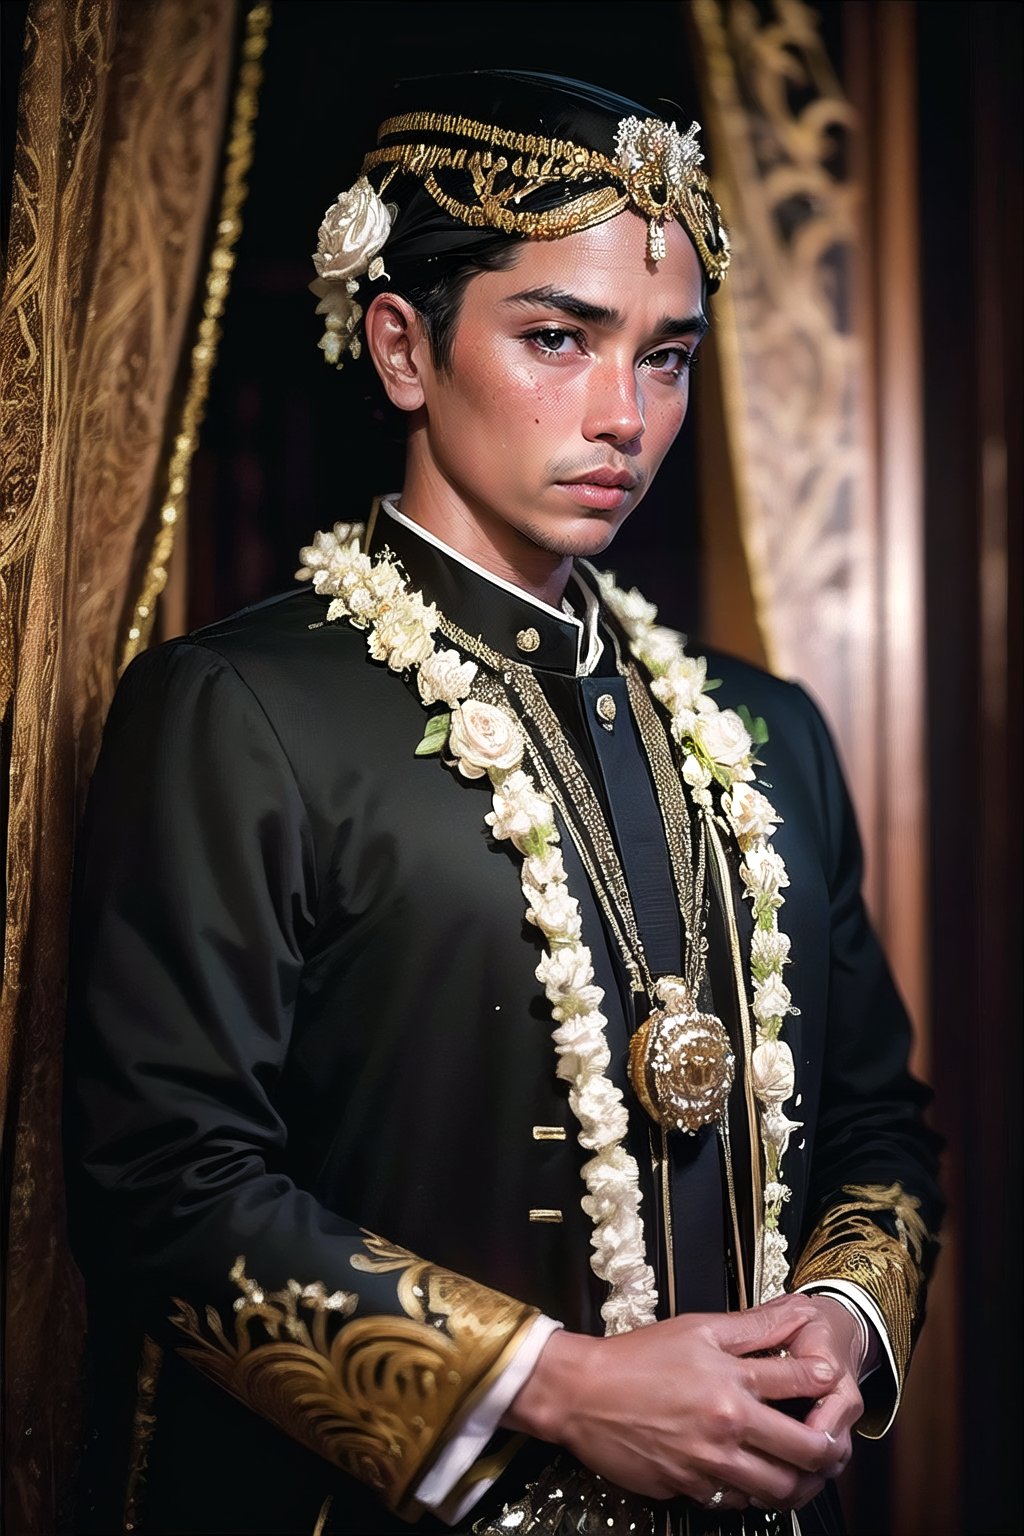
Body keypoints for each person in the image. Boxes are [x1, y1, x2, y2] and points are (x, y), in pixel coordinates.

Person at [64, 69, 943, 1536]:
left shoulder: (765, 731)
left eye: (667, 358)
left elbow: (878, 1126)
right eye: (558, 338)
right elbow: (161, 1193)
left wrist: (847, 1319)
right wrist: (560, 1386)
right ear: (405, 347)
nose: (626, 416)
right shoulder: (244, 710)